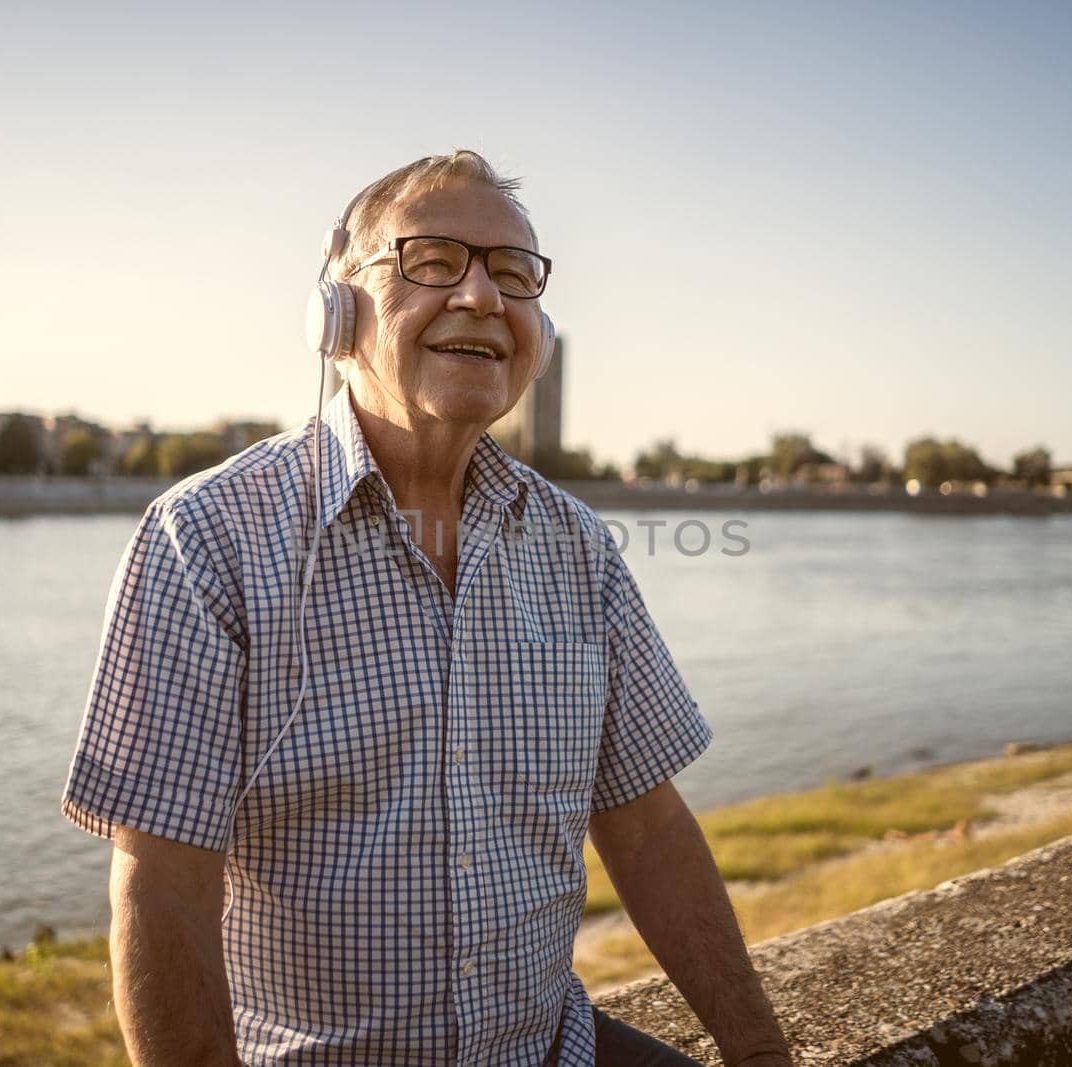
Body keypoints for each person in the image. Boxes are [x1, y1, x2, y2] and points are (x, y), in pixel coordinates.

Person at [62, 151, 793, 1066]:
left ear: (540, 331)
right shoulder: (204, 540)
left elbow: (647, 828)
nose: (483, 297)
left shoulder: (577, 546)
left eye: (513, 275)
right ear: (337, 311)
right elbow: (161, 888)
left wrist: (760, 1052)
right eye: (435, 262)